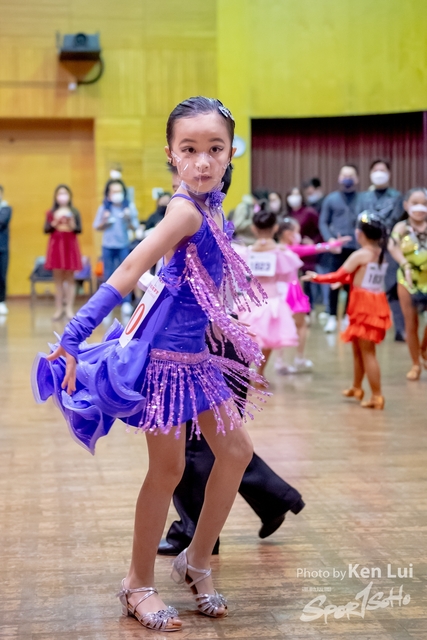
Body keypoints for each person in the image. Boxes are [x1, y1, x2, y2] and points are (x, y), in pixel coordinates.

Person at [32, 96, 272, 632]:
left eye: (215, 149)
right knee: (168, 470)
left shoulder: (212, 205)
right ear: (171, 153)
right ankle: (137, 583)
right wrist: (73, 335)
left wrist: (216, 320)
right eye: (190, 149)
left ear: (231, 152)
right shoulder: (185, 210)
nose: (203, 161)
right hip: (163, 361)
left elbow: (186, 279)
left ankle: (196, 560)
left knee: (235, 452)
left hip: (197, 357)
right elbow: (129, 268)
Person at [160, 172, 305, 558]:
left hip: (211, 344)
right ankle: (273, 497)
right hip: (214, 339)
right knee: (215, 440)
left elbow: (196, 295)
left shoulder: (199, 222)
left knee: (196, 445)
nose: (185, 174)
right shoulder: (208, 219)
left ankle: (194, 535)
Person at [304, 212, 391, 410]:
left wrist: (316, 278)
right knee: (359, 350)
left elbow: (338, 275)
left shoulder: (361, 254)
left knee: (368, 352)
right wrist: (343, 280)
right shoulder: (379, 253)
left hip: (364, 306)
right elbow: (358, 275)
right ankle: (357, 387)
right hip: (373, 302)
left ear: (361, 233)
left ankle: (377, 395)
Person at [276, 218, 350, 373]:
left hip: (274, 290)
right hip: (291, 290)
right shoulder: (290, 249)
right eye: (297, 232)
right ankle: (298, 358)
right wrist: (333, 244)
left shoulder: (274, 249)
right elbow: (313, 249)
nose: (299, 235)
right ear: (288, 234)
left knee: (280, 325)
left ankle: (280, 360)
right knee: (302, 324)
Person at [234, 206, 299, 376]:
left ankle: (247, 370)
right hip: (272, 300)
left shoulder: (246, 252)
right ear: (275, 228)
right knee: (268, 340)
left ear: (253, 228)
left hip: (250, 300)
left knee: (247, 336)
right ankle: (260, 372)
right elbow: (287, 277)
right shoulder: (282, 254)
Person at [356, 159, 405, 341]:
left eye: (382, 170)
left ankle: (401, 330)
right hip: (368, 249)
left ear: (389, 173)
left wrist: (380, 231)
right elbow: (359, 220)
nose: (379, 173)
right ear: (370, 173)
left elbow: (397, 220)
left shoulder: (397, 197)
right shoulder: (363, 198)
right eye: (375, 170)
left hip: (390, 247)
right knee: (366, 287)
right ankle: (366, 326)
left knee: (393, 288)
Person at [388, 188, 427, 380]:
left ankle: (424, 350)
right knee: (411, 323)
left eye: (424, 204)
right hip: (408, 279)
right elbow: (392, 245)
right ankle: (415, 364)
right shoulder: (401, 227)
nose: (420, 208)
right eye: (415, 203)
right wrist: (404, 264)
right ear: (406, 205)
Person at [319, 164, 360, 333]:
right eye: (344, 175)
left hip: (356, 249)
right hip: (337, 249)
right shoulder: (331, 199)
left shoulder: (363, 199)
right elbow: (323, 222)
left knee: (353, 284)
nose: (347, 178)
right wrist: (330, 241)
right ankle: (332, 316)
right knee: (334, 282)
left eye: (351, 175)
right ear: (339, 178)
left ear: (357, 178)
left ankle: (348, 317)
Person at [93, 178, 139, 316]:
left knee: (125, 275)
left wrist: (128, 219)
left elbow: (135, 227)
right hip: (108, 245)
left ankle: (126, 302)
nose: (116, 194)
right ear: (108, 194)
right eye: (113, 191)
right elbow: (97, 226)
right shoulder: (104, 208)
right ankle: (108, 304)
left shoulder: (129, 207)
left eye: (119, 191)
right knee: (108, 274)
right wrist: (104, 221)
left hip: (123, 245)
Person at [44, 185, 83, 321]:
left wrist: (72, 223)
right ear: (56, 196)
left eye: (65, 193)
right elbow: (46, 229)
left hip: (70, 244)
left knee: (70, 278)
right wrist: (54, 222)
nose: (62, 196)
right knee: (58, 280)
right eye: (60, 193)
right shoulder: (51, 212)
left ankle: (69, 308)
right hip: (56, 244)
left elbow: (79, 229)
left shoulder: (74, 212)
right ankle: (59, 309)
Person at [285, 187, 323, 311]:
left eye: (297, 194)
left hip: (306, 254)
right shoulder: (287, 215)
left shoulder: (309, 212)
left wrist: (314, 242)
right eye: (291, 195)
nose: (294, 198)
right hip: (290, 253)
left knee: (307, 283)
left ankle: (308, 309)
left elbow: (319, 229)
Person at [0, 185, 12, 315]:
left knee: (2, 276)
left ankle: (2, 301)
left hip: (2, 248)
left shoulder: (6, 209)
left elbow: (1, 222)